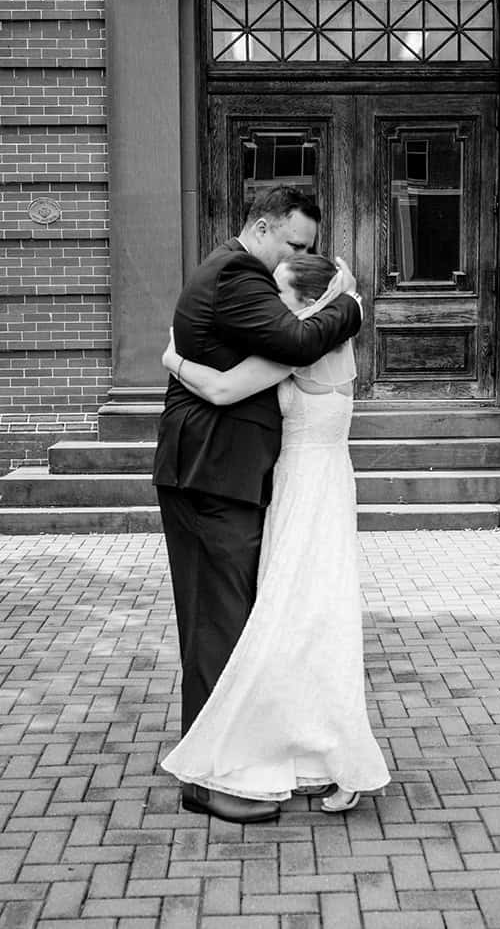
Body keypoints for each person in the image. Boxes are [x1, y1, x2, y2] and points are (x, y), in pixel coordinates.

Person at [152, 186, 362, 825]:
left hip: (242, 480)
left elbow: (261, 360)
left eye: (307, 254)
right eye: (294, 245)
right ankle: (206, 779)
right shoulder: (240, 274)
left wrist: (171, 358)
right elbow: (294, 342)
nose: (293, 262)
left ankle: (231, 756)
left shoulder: (241, 274)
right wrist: (350, 306)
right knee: (219, 626)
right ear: (262, 227)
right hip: (213, 477)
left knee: (231, 623)